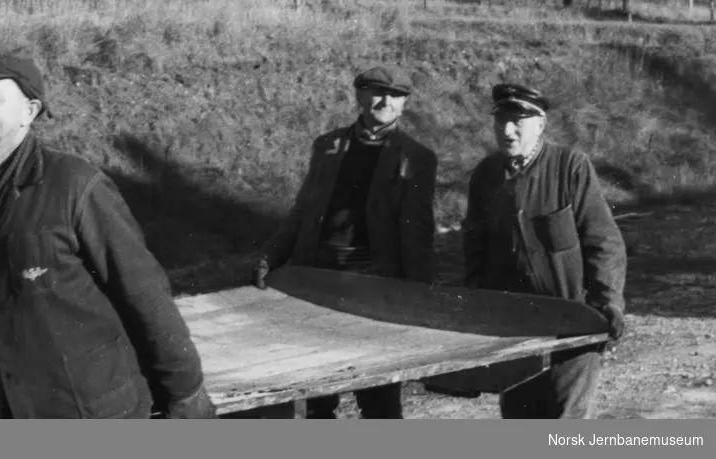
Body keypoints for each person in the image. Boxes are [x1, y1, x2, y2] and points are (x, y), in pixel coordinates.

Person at [0, 52, 216, 419]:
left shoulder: (75, 186)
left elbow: (144, 294)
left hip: (96, 412)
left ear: (29, 110)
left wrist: (186, 394)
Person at [253, 65, 437, 419]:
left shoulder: (416, 158)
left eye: (396, 95)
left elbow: (417, 233)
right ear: (360, 95)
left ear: (404, 104)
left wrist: (421, 294)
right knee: (319, 389)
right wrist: (271, 255)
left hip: (374, 279)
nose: (386, 101)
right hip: (318, 273)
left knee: (379, 393)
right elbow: (302, 211)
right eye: (377, 91)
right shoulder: (328, 146)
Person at [464, 83, 628, 419]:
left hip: (572, 329)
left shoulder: (570, 167)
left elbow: (604, 243)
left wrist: (608, 304)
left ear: (540, 124)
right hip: (514, 331)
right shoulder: (485, 175)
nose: (507, 130)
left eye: (518, 121)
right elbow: (474, 252)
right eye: (500, 121)